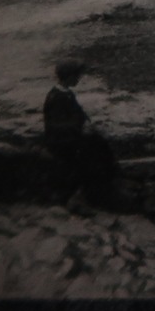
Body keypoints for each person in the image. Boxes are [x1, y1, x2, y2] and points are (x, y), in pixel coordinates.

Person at [42, 60, 119, 208]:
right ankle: (80, 197)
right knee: (90, 155)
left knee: (99, 142)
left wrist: (89, 124)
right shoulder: (56, 97)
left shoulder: (67, 93)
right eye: (76, 76)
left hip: (70, 136)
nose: (78, 79)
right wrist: (79, 128)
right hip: (60, 140)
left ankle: (105, 186)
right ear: (68, 77)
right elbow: (55, 125)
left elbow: (79, 114)